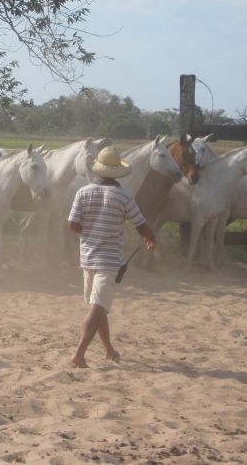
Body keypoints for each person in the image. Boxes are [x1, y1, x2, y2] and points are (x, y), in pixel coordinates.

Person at [68, 145, 156, 368]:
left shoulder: (83, 192)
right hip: (109, 261)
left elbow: (73, 225)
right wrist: (149, 238)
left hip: (87, 257)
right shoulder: (123, 197)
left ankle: (109, 350)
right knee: (98, 306)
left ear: (97, 169)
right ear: (118, 172)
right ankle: (79, 353)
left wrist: (88, 231)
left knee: (98, 306)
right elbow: (141, 224)